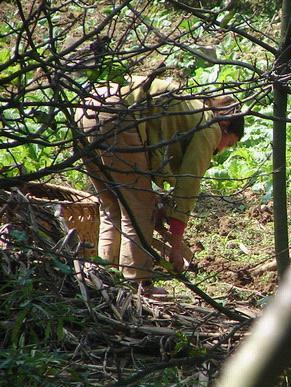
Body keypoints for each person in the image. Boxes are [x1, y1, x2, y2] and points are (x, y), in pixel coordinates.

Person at [76, 75, 244, 294]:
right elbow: (188, 186)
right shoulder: (209, 125)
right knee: (139, 209)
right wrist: (175, 246)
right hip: (115, 115)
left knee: (112, 206)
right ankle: (138, 285)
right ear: (225, 125)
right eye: (228, 144)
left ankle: (104, 278)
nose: (220, 151)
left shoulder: (188, 109)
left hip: (86, 107)